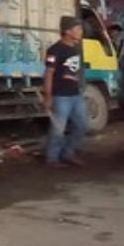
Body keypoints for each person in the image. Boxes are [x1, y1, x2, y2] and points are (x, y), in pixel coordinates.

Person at [42, 16, 87, 168]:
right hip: (60, 96)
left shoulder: (76, 48)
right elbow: (48, 73)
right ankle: (52, 158)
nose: (81, 31)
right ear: (67, 31)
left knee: (81, 125)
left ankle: (68, 153)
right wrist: (48, 96)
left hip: (75, 94)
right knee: (58, 129)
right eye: (78, 28)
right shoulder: (54, 50)